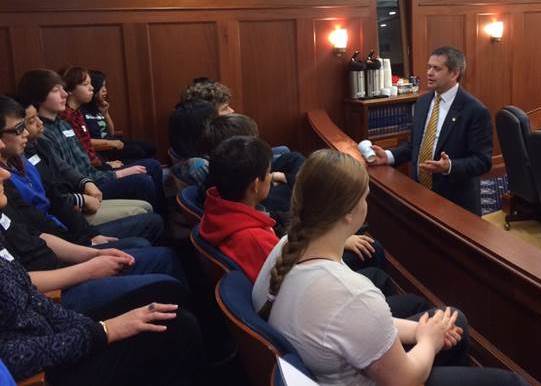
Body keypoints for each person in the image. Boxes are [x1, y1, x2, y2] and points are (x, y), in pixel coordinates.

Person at [258, 149, 526, 386]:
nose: (367, 204)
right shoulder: (352, 293)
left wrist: (422, 331)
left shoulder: (285, 247)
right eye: (364, 198)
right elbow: (405, 379)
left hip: (331, 363)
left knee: (454, 320)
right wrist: (428, 341)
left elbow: (355, 325)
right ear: (349, 213)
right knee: (511, 381)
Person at [17, 69, 166, 214]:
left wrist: (106, 171)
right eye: (56, 91)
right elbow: (65, 176)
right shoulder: (42, 135)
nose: (64, 94)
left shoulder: (63, 123)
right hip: (85, 189)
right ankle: (161, 223)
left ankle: (164, 219)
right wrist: (114, 174)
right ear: (38, 97)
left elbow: (84, 162)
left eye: (63, 89)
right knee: (142, 181)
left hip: (92, 178)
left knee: (151, 165)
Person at [370, 46, 492, 215]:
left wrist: (449, 166)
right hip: (418, 194)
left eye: (437, 68)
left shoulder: (474, 110)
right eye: (429, 67)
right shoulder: (422, 102)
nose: (429, 72)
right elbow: (414, 146)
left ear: (454, 73)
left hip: (454, 202)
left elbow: (482, 161)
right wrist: (389, 156)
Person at [21, 97, 154, 225]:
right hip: (71, 207)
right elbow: (53, 195)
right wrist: (81, 197)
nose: (64, 94)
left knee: (147, 169)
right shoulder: (40, 141)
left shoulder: (57, 129)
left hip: (86, 186)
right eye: (32, 121)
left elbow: (69, 167)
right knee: (145, 192)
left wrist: (87, 182)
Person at [80, 69, 156, 162]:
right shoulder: (82, 111)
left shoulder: (97, 107)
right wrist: (111, 143)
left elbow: (111, 133)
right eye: (101, 86)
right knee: (138, 151)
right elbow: (85, 141)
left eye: (105, 86)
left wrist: (106, 113)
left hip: (112, 142)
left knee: (149, 146)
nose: (105, 90)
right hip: (104, 148)